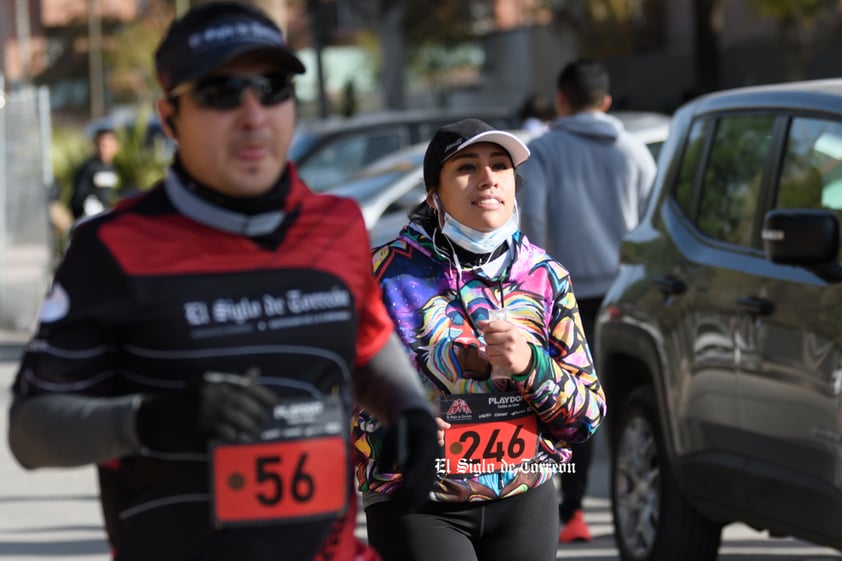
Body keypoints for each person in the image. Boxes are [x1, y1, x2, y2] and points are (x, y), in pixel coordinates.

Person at [7, 3, 439, 560]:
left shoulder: (337, 225)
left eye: (273, 88)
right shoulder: (111, 248)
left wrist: (410, 411)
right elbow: (32, 431)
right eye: (220, 93)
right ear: (169, 117)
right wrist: (150, 421)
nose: (254, 115)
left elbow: (367, 346)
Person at [352, 118, 607, 561]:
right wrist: (394, 422)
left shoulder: (546, 278)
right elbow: (330, 391)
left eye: (500, 166)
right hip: (416, 500)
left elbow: (586, 417)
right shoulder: (381, 276)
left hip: (526, 496)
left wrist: (531, 364)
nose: (488, 178)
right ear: (433, 195)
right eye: (467, 167)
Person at [517, 58, 657, 543]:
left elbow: (530, 223)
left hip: (563, 298)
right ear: (607, 103)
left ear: (560, 100)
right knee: (626, 404)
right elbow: (649, 228)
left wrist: (529, 290)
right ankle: (633, 504)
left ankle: (572, 511)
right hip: (626, 295)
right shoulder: (636, 152)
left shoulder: (544, 151)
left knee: (568, 404)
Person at [69, 127, 121, 221]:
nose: (102, 149)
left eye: (105, 145)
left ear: (115, 146)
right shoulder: (88, 167)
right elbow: (78, 197)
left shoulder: (113, 168)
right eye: (99, 145)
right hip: (89, 218)